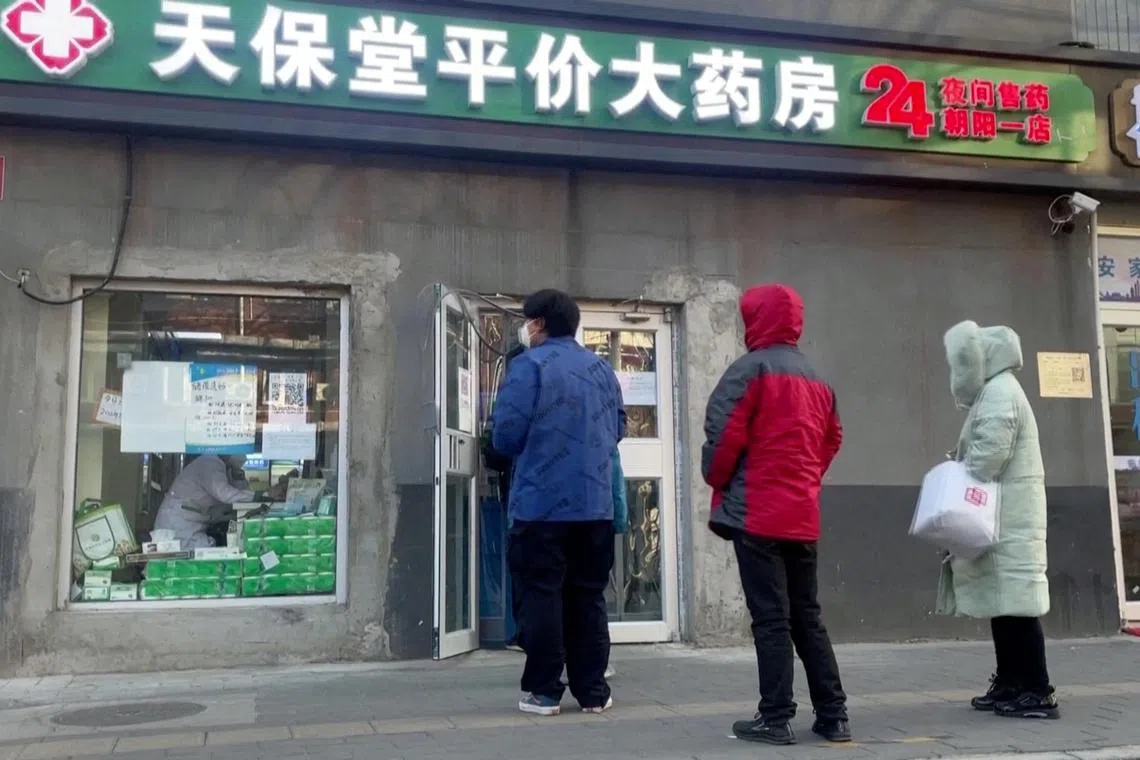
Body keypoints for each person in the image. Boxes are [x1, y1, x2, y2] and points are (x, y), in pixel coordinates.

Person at [701, 284, 849, 746]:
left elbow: (722, 439)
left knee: (770, 618)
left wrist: (719, 479)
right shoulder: (818, 380)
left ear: (755, 320)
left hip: (757, 514)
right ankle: (834, 715)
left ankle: (776, 716)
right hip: (801, 514)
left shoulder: (749, 371)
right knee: (808, 615)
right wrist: (805, 479)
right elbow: (831, 440)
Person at [492, 289, 625, 717]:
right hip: (596, 506)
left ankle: (545, 691)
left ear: (540, 324)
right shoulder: (602, 368)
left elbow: (505, 435)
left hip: (540, 505)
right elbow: (619, 428)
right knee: (588, 597)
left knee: (542, 594)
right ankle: (593, 691)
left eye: (528, 320)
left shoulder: (528, 366)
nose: (525, 327)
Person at [940, 320, 1058, 719]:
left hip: (1010, 520)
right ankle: (1010, 682)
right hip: (1004, 516)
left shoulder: (999, 392)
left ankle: (1038, 691)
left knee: (1018, 609)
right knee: (1004, 605)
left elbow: (988, 458)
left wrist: (960, 467)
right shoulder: (998, 391)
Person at [154, 454, 268, 550]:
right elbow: (226, 495)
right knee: (187, 564)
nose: (243, 456)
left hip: (194, 524)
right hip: (178, 526)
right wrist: (262, 495)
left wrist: (238, 476)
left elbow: (239, 496)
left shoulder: (225, 468)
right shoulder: (210, 462)